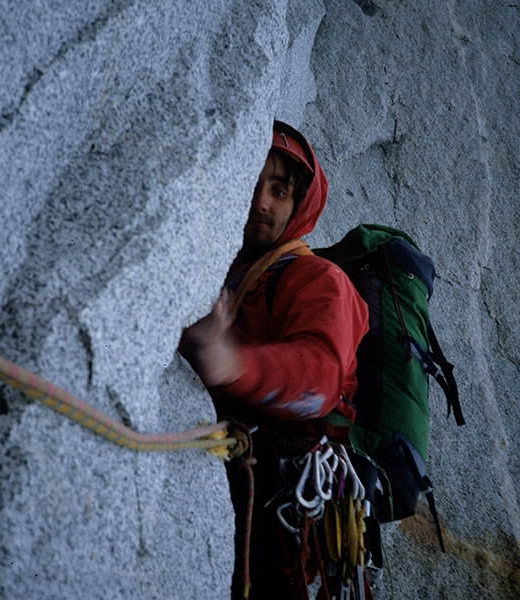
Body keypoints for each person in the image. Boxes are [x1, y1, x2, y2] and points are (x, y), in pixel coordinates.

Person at [179, 121, 369, 599]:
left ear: (299, 206)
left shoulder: (320, 278)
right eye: (255, 183)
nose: (260, 201)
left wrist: (232, 365)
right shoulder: (229, 267)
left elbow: (320, 378)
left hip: (283, 506)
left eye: (280, 190)